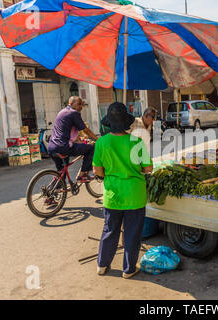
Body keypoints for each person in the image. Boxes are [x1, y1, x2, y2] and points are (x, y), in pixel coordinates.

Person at [93, 102, 153, 278]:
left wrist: (111, 174)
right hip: (134, 195)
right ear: (126, 122)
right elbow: (148, 168)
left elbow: (97, 170)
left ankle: (102, 265)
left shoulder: (101, 142)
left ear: (109, 123)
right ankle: (128, 269)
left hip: (113, 195)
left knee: (110, 230)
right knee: (132, 233)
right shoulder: (136, 141)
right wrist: (136, 169)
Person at [48, 96, 99, 182]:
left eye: (81, 104)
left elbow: (70, 132)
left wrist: (80, 141)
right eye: (79, 104)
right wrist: (97, 139)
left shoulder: (62, 112)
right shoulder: (73, 113)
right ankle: (83, 175)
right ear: (71, 103)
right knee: (91, 148)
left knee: (61, 172)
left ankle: (56, 189)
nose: (81, 107)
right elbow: (85, 130)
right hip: (63, 146)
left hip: (52, 146)